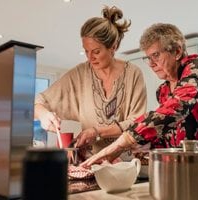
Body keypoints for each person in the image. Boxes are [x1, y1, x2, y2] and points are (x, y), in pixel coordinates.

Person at [80, 23, 198, 167]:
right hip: (193, 169)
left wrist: (123, 142)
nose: (151, 64)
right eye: (148, 57)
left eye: (156, 55)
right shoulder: (164, 91)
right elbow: (168, 132)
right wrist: (145, 147)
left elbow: (177, 107)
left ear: (177, 51)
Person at [34, 6, 147, 155]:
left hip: (126, 163)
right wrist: (43, 115)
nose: (90, 57)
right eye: (86, 51)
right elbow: (38, 102)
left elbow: (137, 122)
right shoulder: (80, 74)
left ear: (113, 47)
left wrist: (97, 131)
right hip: (89, 162)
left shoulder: (133, 74)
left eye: (96, 51)